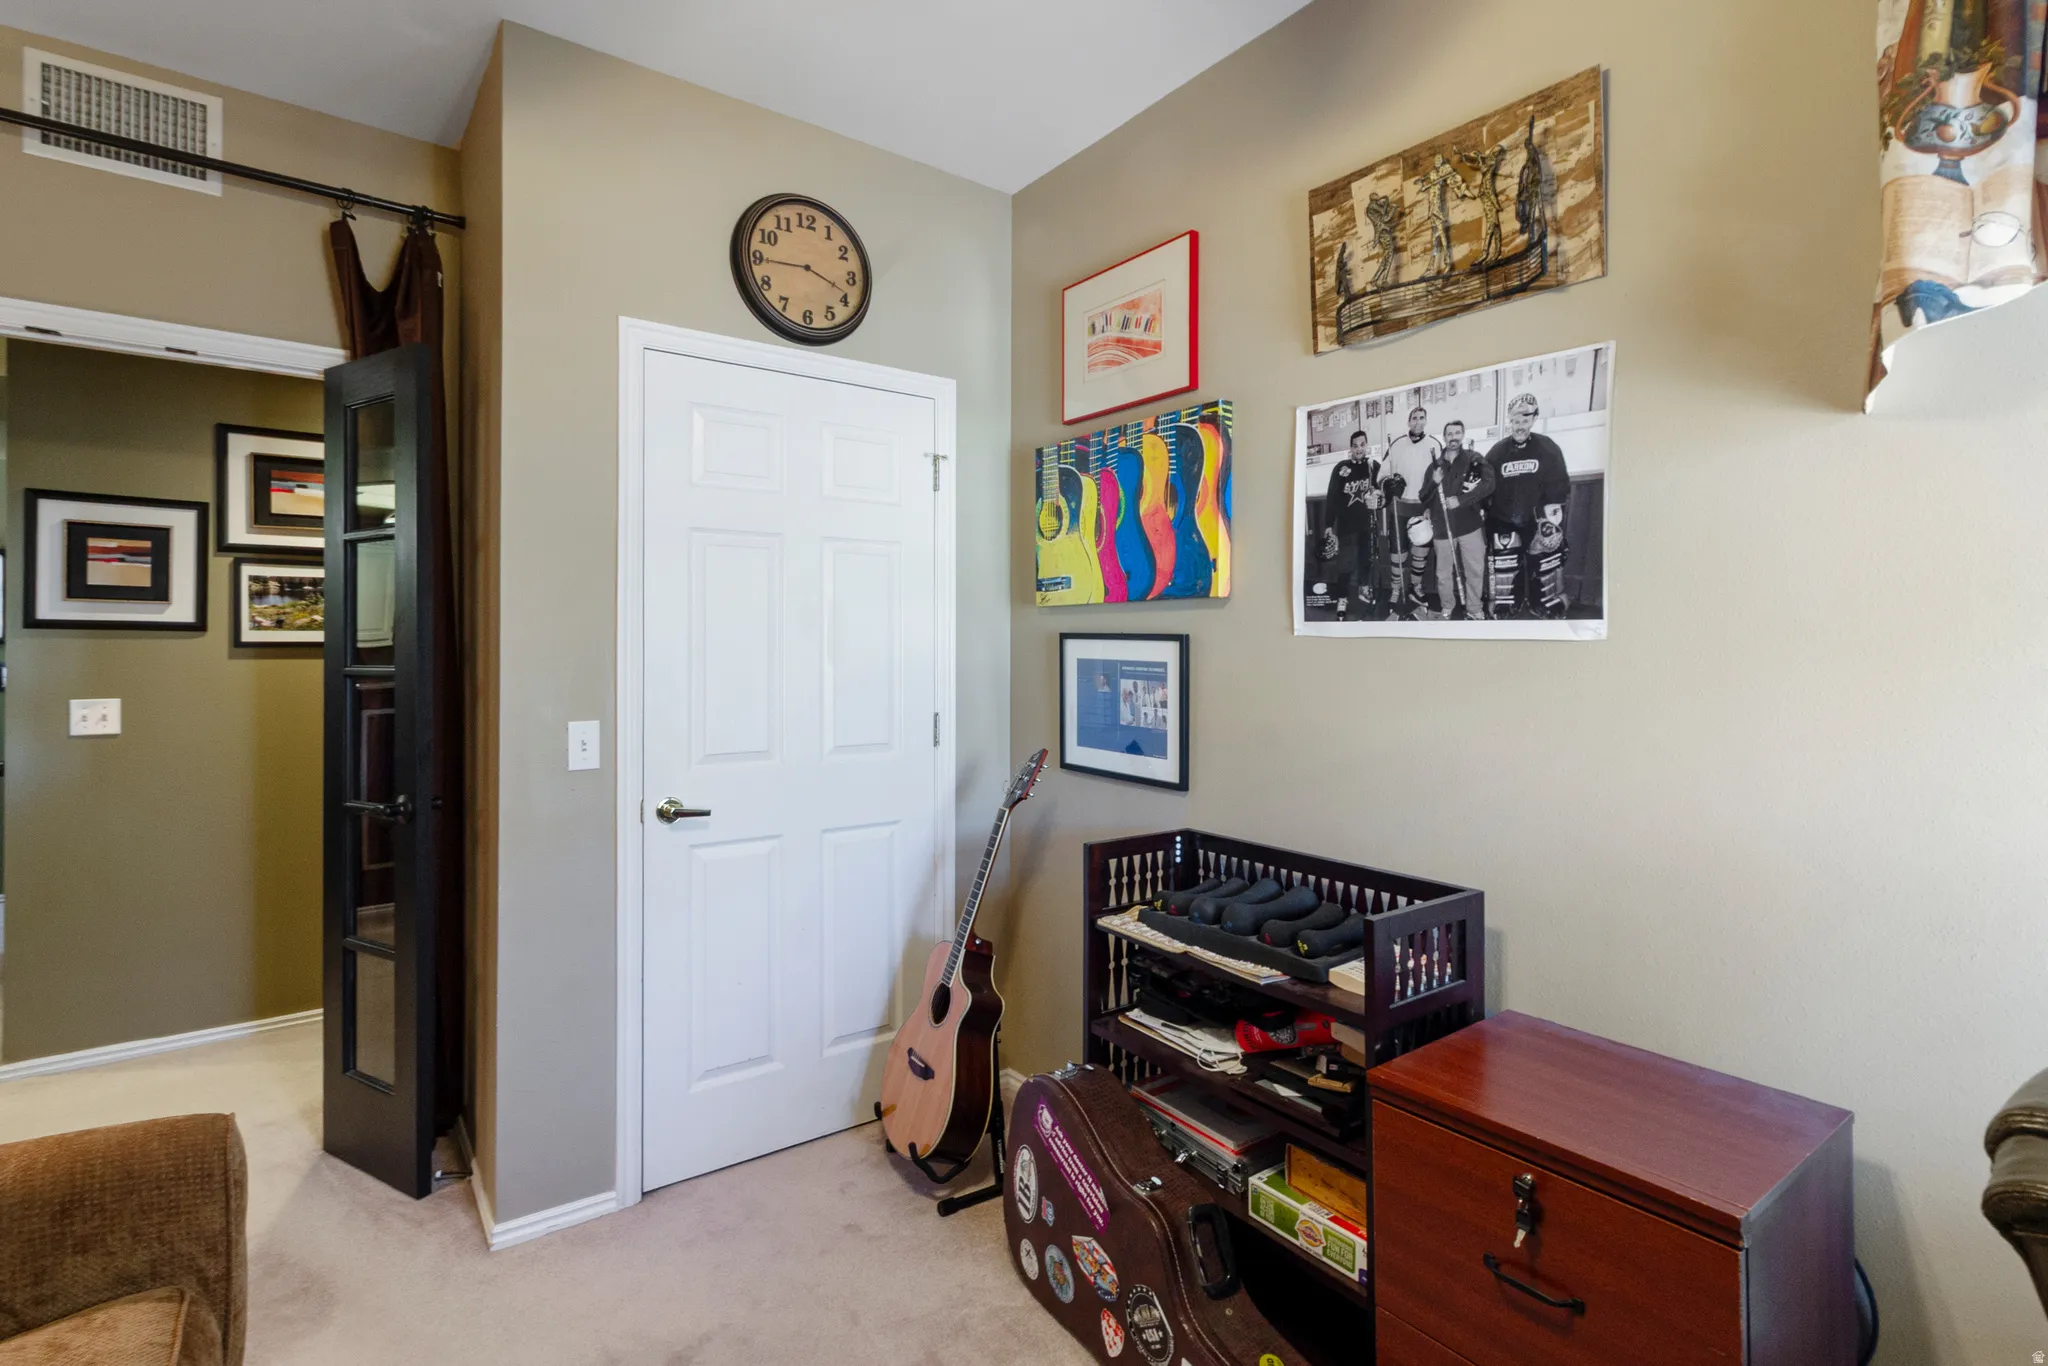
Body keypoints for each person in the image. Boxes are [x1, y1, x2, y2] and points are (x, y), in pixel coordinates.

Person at [1483, 393, 1572, 618]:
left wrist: (1550, 520)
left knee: (1546, 560)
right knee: (1505, 563)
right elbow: (1487, 486)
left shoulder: (1548, 448)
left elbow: (1559, 485)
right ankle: (1505, 603)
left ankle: (1545, 601)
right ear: (1509, 421)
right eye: (1515, 421)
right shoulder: (1497, 452)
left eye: (1525, 421)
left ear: (1533, 420)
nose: (1520, 426)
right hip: (1504, 519)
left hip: (1537, 518)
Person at [1424, 419, 1495, 620]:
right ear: (1444, 437)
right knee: (1443, 574)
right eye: (1449, 433)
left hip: (1470, 525)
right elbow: (1423, 496)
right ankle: (1447, 606)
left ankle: (1474, 609)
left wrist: (1461, 501)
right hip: (1442, 528)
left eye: (1457, 433)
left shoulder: (1475, 459)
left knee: (1475, 570)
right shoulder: (1434, 466)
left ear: (1462, 435)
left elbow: (1489, 484)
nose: (1453, 437)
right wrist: (1433, 482)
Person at [1379, 407, 1442, 620]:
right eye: (1414, 418)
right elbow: (1383, 473)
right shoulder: (1397, 444)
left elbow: (1439, 477)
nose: (1417, 421)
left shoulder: (1434, 444)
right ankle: (1397, 589)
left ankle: (1416, 587)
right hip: (1400, 506)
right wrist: (1388, 485)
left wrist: (1432, 505)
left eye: (1421, 418)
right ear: (1408, 422)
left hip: (1422, 507)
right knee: (1398, 551)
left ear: (1425, 421)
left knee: (1420, 551)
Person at [1316, 430, 1384, 618]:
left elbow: (1381, 491)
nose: (1359, 448)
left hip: (1368, 525)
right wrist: (1329, 525)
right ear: (1351, 448)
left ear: (1366, 446)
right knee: (1345, 565)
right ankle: (1342, 598)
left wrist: (1379, 496)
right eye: (1355, 446)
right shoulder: (1342, 468)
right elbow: (1332, 498)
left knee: (1366, 560)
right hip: (1346, 526)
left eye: (1362, 444)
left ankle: (1363, 588)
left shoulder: (1373, 466)